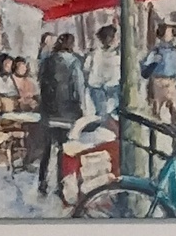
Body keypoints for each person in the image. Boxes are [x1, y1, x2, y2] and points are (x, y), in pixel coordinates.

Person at [34, 32, 91, 195]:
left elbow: (41, 82)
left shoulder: (47, 61)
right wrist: (83, 109)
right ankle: (60, 184)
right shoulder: (74, 62)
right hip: (67, 112)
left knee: (47, 148)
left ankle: (42, 182)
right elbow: (79, 87)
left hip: (49, 111)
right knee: (62, 149)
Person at [141, 22, 176, 124]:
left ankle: (174, 125)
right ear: (161, 36)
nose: (172, 36)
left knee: (173, 105)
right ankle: (155, 128)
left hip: (170, 81)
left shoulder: (174, 50)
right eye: (169, 33)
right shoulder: (156, 51)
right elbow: (146, 63)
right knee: (157, 106)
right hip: (158, 81)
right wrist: (154, 61)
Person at [85, 23, 122, 118]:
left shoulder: (95, 53)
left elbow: (86, 68)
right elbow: (86, 68)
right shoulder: (95, 53)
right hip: (101, 86)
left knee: (108, 114)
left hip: (109, 86)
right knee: (105, 115)